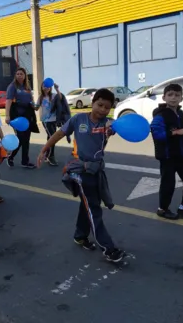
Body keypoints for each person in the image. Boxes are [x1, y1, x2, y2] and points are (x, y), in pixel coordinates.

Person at [37, 88, 127, 264]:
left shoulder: (108, 124)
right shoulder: (79, 119)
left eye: (106, 108)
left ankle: (80, 236)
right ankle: (108, 249)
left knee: (87, 203)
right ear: (93, 102)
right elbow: (59, 133)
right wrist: (44, 149)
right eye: (100, 105)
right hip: (78, 169)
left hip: (95, 170)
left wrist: (111, 128)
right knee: (93, 207)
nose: (102, 110)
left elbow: (116, 127)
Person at [150, 83, 183, 221]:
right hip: (167, 156)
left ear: (181, 98)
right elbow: (157, 134)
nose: (173, 98)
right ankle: (163, 209)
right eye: (170, 95)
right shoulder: (160, 115)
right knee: (168, 184)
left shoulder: (181, 113)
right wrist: (175, 132)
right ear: (164, 97)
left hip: (181, 155)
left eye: (177, 95)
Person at [5, 67, 40, 169]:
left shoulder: (27, 88)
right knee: (20, 138)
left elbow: (31, 101)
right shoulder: (12, 86)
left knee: (26, 139)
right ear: (15, 76)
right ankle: (10, 157)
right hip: (17, 116)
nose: (19, 75)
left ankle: (25, 161)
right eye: (18, 74)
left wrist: (35, 106)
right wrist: (7, 115)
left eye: (21, 74)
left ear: (25, 76)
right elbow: (8, 101)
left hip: (27, 115)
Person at [36, 83, 62, 166]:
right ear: (42, 87)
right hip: (46, 121)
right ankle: (51, 156)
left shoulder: (54, 96)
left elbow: (60, 98)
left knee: (50, 137)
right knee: (53, 138)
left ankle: (47, 155)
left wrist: (57, 89)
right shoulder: (41, 97)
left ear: (50, 87)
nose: (46, 88)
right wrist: (32, 105)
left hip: (53, 120)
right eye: (44, 86)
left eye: (48, 86)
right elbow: (36, 108)